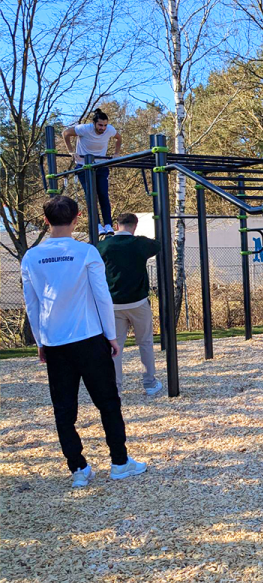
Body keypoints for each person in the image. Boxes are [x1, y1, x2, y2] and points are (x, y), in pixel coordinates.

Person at [21, 196, 146, 487]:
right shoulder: (86, 252)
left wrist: (41, 340)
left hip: (55, 342)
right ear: (77, 217)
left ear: (45, 219)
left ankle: (78, 468)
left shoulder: (31, 257)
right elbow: (102, 296)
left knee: (64, 409)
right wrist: (111, 336)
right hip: (89, 338)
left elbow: (33, 303)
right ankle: (119, 461)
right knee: (108, 402)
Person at [97, 213, 163, 394]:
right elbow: (157, 244)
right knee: (145, 342)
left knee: (115, 347)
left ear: (117, 225)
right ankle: (149, 383)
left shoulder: (105, 245)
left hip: (114, 303)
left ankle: (115, 388)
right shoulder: (140, 244)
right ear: (135, 225)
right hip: (138, 301)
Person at [63, 108, 122, 236]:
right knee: (91, 195)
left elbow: (119, 138)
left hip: (101, 165)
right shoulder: (84, 129)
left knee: (103, 195)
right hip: (84, 165)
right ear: (94, 123)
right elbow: (66, 133)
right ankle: (97, 224)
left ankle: (108, 224)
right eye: (100, 125)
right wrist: (71, 151)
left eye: (105, 125)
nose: (103, 128)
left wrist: (117, 153)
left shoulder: (110, 130)